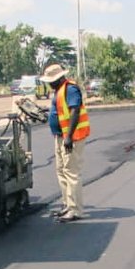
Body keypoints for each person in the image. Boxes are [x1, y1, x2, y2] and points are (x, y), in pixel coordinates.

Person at [41, 63, 89, 222]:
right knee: (61, 170)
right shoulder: (59, 91)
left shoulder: (70, 89)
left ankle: (75, 210)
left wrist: (68, 137)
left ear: (58, 78)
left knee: (71, 172)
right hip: (60, 136)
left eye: (50, 80)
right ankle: (67, 205)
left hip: (71, 138)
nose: (48, 83)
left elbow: (75, 111)